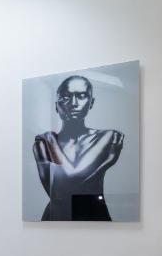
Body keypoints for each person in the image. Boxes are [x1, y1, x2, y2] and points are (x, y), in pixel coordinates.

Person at [32, 75, 124, 221]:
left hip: (94, 217)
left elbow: (69, 182)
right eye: (66, 97)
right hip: (56, 219)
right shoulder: (43, 143)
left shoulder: (108, 137)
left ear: (91, 102)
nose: (73, 103)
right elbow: (58, 192)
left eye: (81, 96)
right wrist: (105, 163)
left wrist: (51, 142)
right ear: (57, 105)